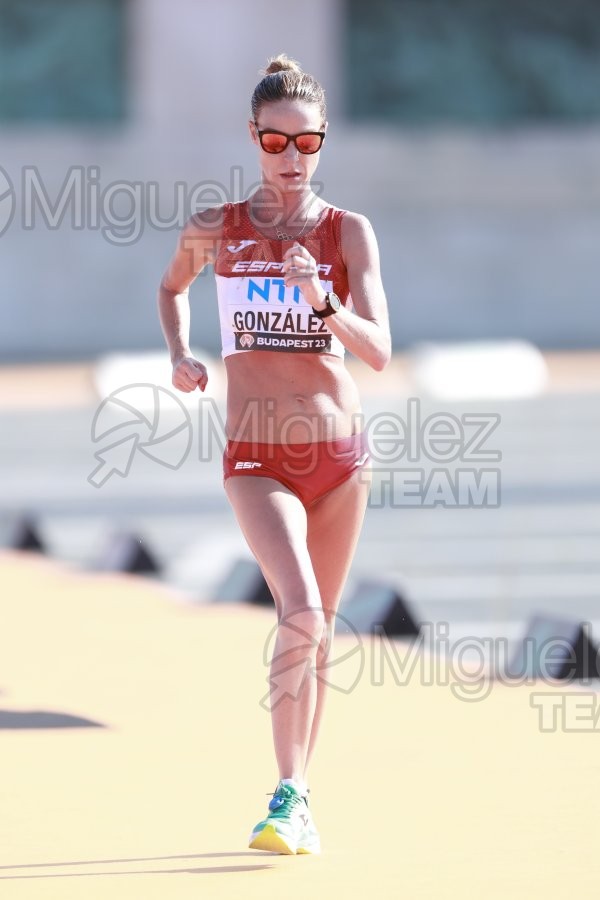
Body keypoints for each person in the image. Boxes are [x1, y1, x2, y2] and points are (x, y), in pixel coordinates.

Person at [158, 53, 391, 855]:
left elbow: (382, 352)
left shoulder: (346, 232)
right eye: (275, 141)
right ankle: (285, 794)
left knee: (315, 631)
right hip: (257, 458)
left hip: (341, 460)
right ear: (252, 138)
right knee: (296, 612)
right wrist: (182, 355)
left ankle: (301, 797)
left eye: (306, 142)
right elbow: (170, 288)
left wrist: (322, 299)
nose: (291, 159)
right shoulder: (219, 226)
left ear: (323, 142)